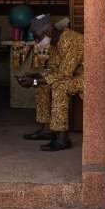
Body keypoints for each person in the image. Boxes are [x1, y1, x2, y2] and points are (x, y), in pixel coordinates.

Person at [18, 14, 84, 152]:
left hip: (86, 77)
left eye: (37, 37)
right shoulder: (54, 41)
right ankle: (47, 129)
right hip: (69, 76)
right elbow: (52, 69)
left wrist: (35, 80)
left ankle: (62, 139)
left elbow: (62, 74)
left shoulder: (73, 40)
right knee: (42, 85)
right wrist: (34, 76)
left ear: (48, 31)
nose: (36, 42)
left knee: (59, 86)